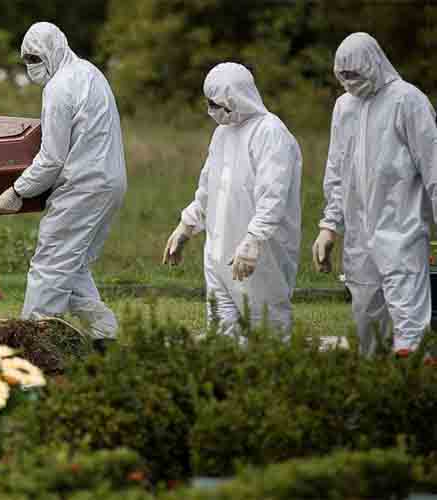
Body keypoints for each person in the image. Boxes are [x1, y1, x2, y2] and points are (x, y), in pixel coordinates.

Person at [0, 22, 127, 351]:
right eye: (26, 60)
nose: (32, 66)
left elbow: (51, 159)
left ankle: (35, 343)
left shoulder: (58, 88)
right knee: (73, 263)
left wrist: (18, 191)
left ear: (53, 51)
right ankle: (104, 334)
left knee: (51, 262)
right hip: (109, 181)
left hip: (83, 184)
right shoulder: (89, 72)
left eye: (36, 58)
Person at [313, 33, 437, 357]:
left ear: (373, 63)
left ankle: (415, 396)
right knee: (367, 324)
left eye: (355, 74)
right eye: (343, 76)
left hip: (402, 231)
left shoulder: (407, 101)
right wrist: (329, 226)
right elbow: (338, 171)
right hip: (359, 238)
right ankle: (377, 395)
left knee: (409, 324)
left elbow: (434, 168)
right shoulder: (344, 108)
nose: (350, 82)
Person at [163, 62, 302, 340]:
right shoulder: (222, 134)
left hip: (259, 256)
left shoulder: (270, 132)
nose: (213, 112)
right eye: (210, 104)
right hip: (218, 253)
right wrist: (186, 226)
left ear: (238, 98)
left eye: (219, 105)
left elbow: (273, 195)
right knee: (223, 339)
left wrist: (254, 239)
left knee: (268, 332)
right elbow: (209, 188)